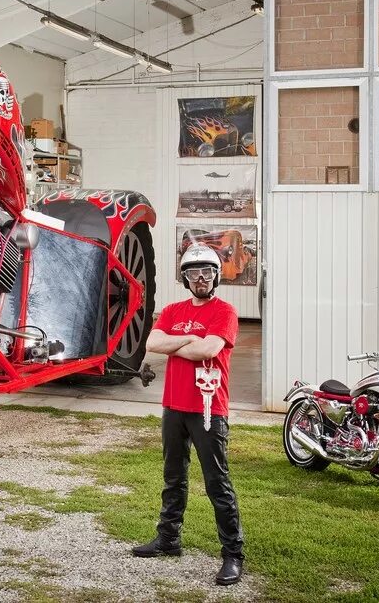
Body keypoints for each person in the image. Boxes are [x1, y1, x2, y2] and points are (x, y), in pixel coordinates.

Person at [131, 242, 244, 587]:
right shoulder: (171, 310)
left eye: (208, 272)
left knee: (217, 483)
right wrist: (190, 341)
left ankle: (233, 554)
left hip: (208, 408)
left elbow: (210, 348)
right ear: (185, 278)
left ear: (215, 277)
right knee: (173, 477)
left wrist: (178, 341)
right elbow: (152, 343)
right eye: (194, 273)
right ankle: (168, 539)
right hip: (173, 407)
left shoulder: (225, 312)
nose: (201, 278)